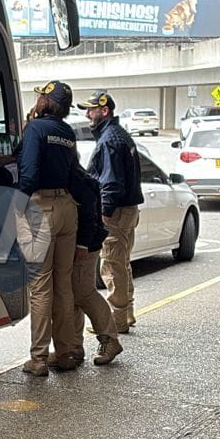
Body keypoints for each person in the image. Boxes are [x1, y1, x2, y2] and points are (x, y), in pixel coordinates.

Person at [16, 80, 80, 375]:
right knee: (63, 285)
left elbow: (29, 174)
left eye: (42, 96)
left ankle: (39, 358)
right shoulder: (67, 132)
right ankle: (65, 352)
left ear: (46, 101)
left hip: (41, 207)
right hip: (67, 207)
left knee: (41, 287)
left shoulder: (36, 129)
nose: (38, 99)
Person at [82, 91, 144, 333]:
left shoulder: (109, 140)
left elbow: (111, 183)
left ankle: (116, 321)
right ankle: (126, 313)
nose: (88, 114)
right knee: (122, 262)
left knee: (111, 265)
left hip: (116, 213)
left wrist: (103, 215)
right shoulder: (120, 135)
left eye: (91, 110)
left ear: (104, 110)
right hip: (128, 210)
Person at [49, 163, 122, 367]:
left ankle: (109, 339)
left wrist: (82, 244)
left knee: (82, 292)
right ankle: (74, 347)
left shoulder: (77, 180)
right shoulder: (73, 175)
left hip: (85, 245)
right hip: (78, 243)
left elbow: (89, 214)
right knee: (70, 294)